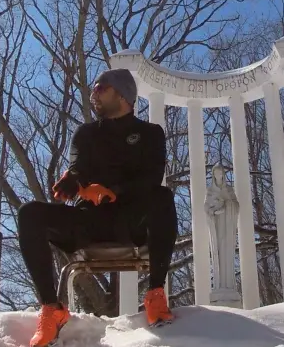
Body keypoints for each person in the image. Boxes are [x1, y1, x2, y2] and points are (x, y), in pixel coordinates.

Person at [17, 68, 178, 347]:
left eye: (101, 87)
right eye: (93, 87)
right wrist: (73, 181)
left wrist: (112, 192)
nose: (94, 93)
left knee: (163, 196)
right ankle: (51, 309)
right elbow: (77, 167)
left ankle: (155, 293)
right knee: (30, 213)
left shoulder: (150, 133)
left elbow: (151, 178)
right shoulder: (86, 133)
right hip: (87, 222)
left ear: (123, 94)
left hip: (131, 223)